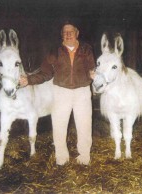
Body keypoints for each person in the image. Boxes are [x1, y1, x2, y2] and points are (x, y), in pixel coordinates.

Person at [19, 20, 96, 165]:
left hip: (82, 92)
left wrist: (94, 74)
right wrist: (29, 80)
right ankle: (61, 159)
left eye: (71, 31)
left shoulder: (86, 49)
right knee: (59, 126)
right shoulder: (55, 50)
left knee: (85, 125)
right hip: (61, 92)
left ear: (77, 33)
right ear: (61, 35)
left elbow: (92, 68)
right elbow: (45, 73)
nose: (68, 34)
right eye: (65, 32)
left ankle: (84, 158)